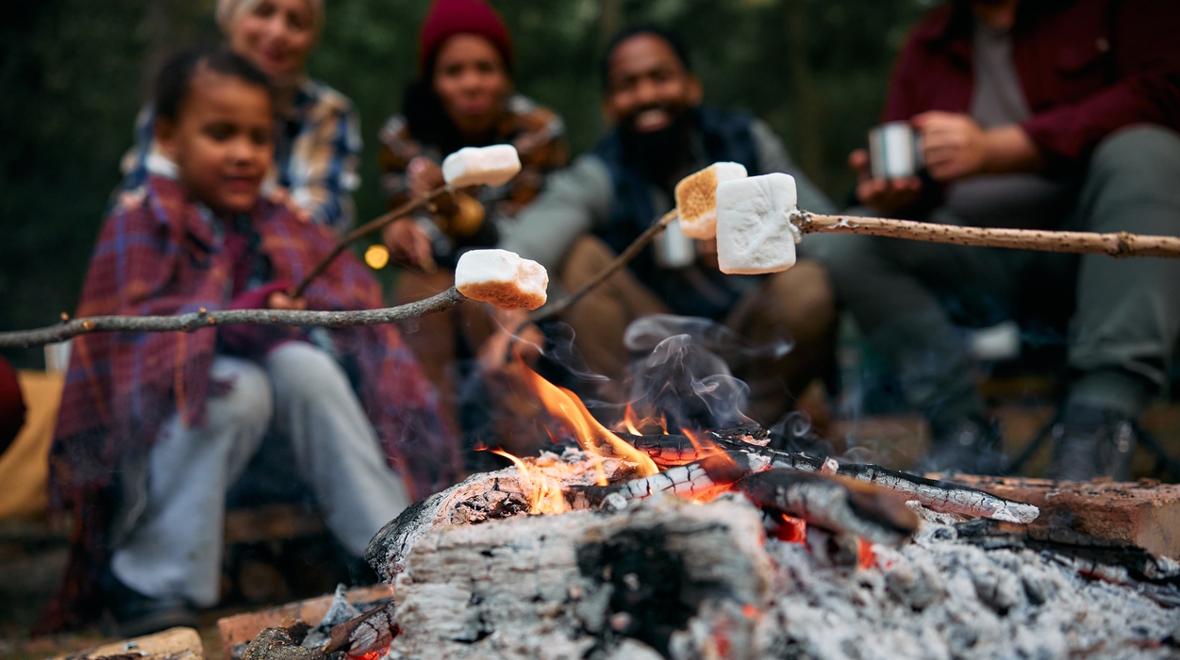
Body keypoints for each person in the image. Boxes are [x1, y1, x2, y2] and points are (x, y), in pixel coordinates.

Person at [43, 49, 459, 634]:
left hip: (282, 461)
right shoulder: (142, 219)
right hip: (167, 459)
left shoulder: (282, 222)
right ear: (168, 136)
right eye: (220, 134)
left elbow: (356, 321)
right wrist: (237, 320)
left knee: (303, 367)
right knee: (238, 389)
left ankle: (395, 542)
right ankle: (155, 579)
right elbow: (132, 360)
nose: (243, 154)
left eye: (259, 139)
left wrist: (298, 317)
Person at [810, 0, 1180, 477]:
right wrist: (894, 198)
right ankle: (960, 429)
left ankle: (1100, 421)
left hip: (1097, 251)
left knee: (1148, 151)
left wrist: (996, 149)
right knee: (852, 238)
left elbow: (1164, 92)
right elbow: (910, 178)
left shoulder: (1107, 10)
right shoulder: (930, 44)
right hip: (977, 261)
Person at [498, 25, 837, 427]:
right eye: (629, 84)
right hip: (652, 346)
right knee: (581, 258)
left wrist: (760, 236)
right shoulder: (602, 172)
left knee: (809, 284)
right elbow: (523, 245)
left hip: (751, 331)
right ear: (609, 105)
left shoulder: (746, 142)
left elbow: (831, 237)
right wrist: (507, 311)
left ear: (692, 86)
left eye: (660, 77)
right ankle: (637, 431)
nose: (646, 95)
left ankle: (750, 428)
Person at [378, 0, 568, 433]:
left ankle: (534, 458)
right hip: (436, 270)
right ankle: (432, 459)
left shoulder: (536, 131)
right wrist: (403, 230)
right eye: (453, 71)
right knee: (415, 304)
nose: (471, 83)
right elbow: (403, 220)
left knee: (503, 314)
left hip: (515, 258)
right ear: (432, 80)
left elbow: (523, 225)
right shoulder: (403, 136)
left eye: (486, 68)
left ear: (506, 75)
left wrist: (448, 207)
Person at [120, 0, 360, 230]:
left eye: (296, 22)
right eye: (263, 12)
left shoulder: (329, 112)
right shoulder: (182, 97)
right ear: (230, 17)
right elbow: (139, 197)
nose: (278, 32)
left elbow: (320, 219)